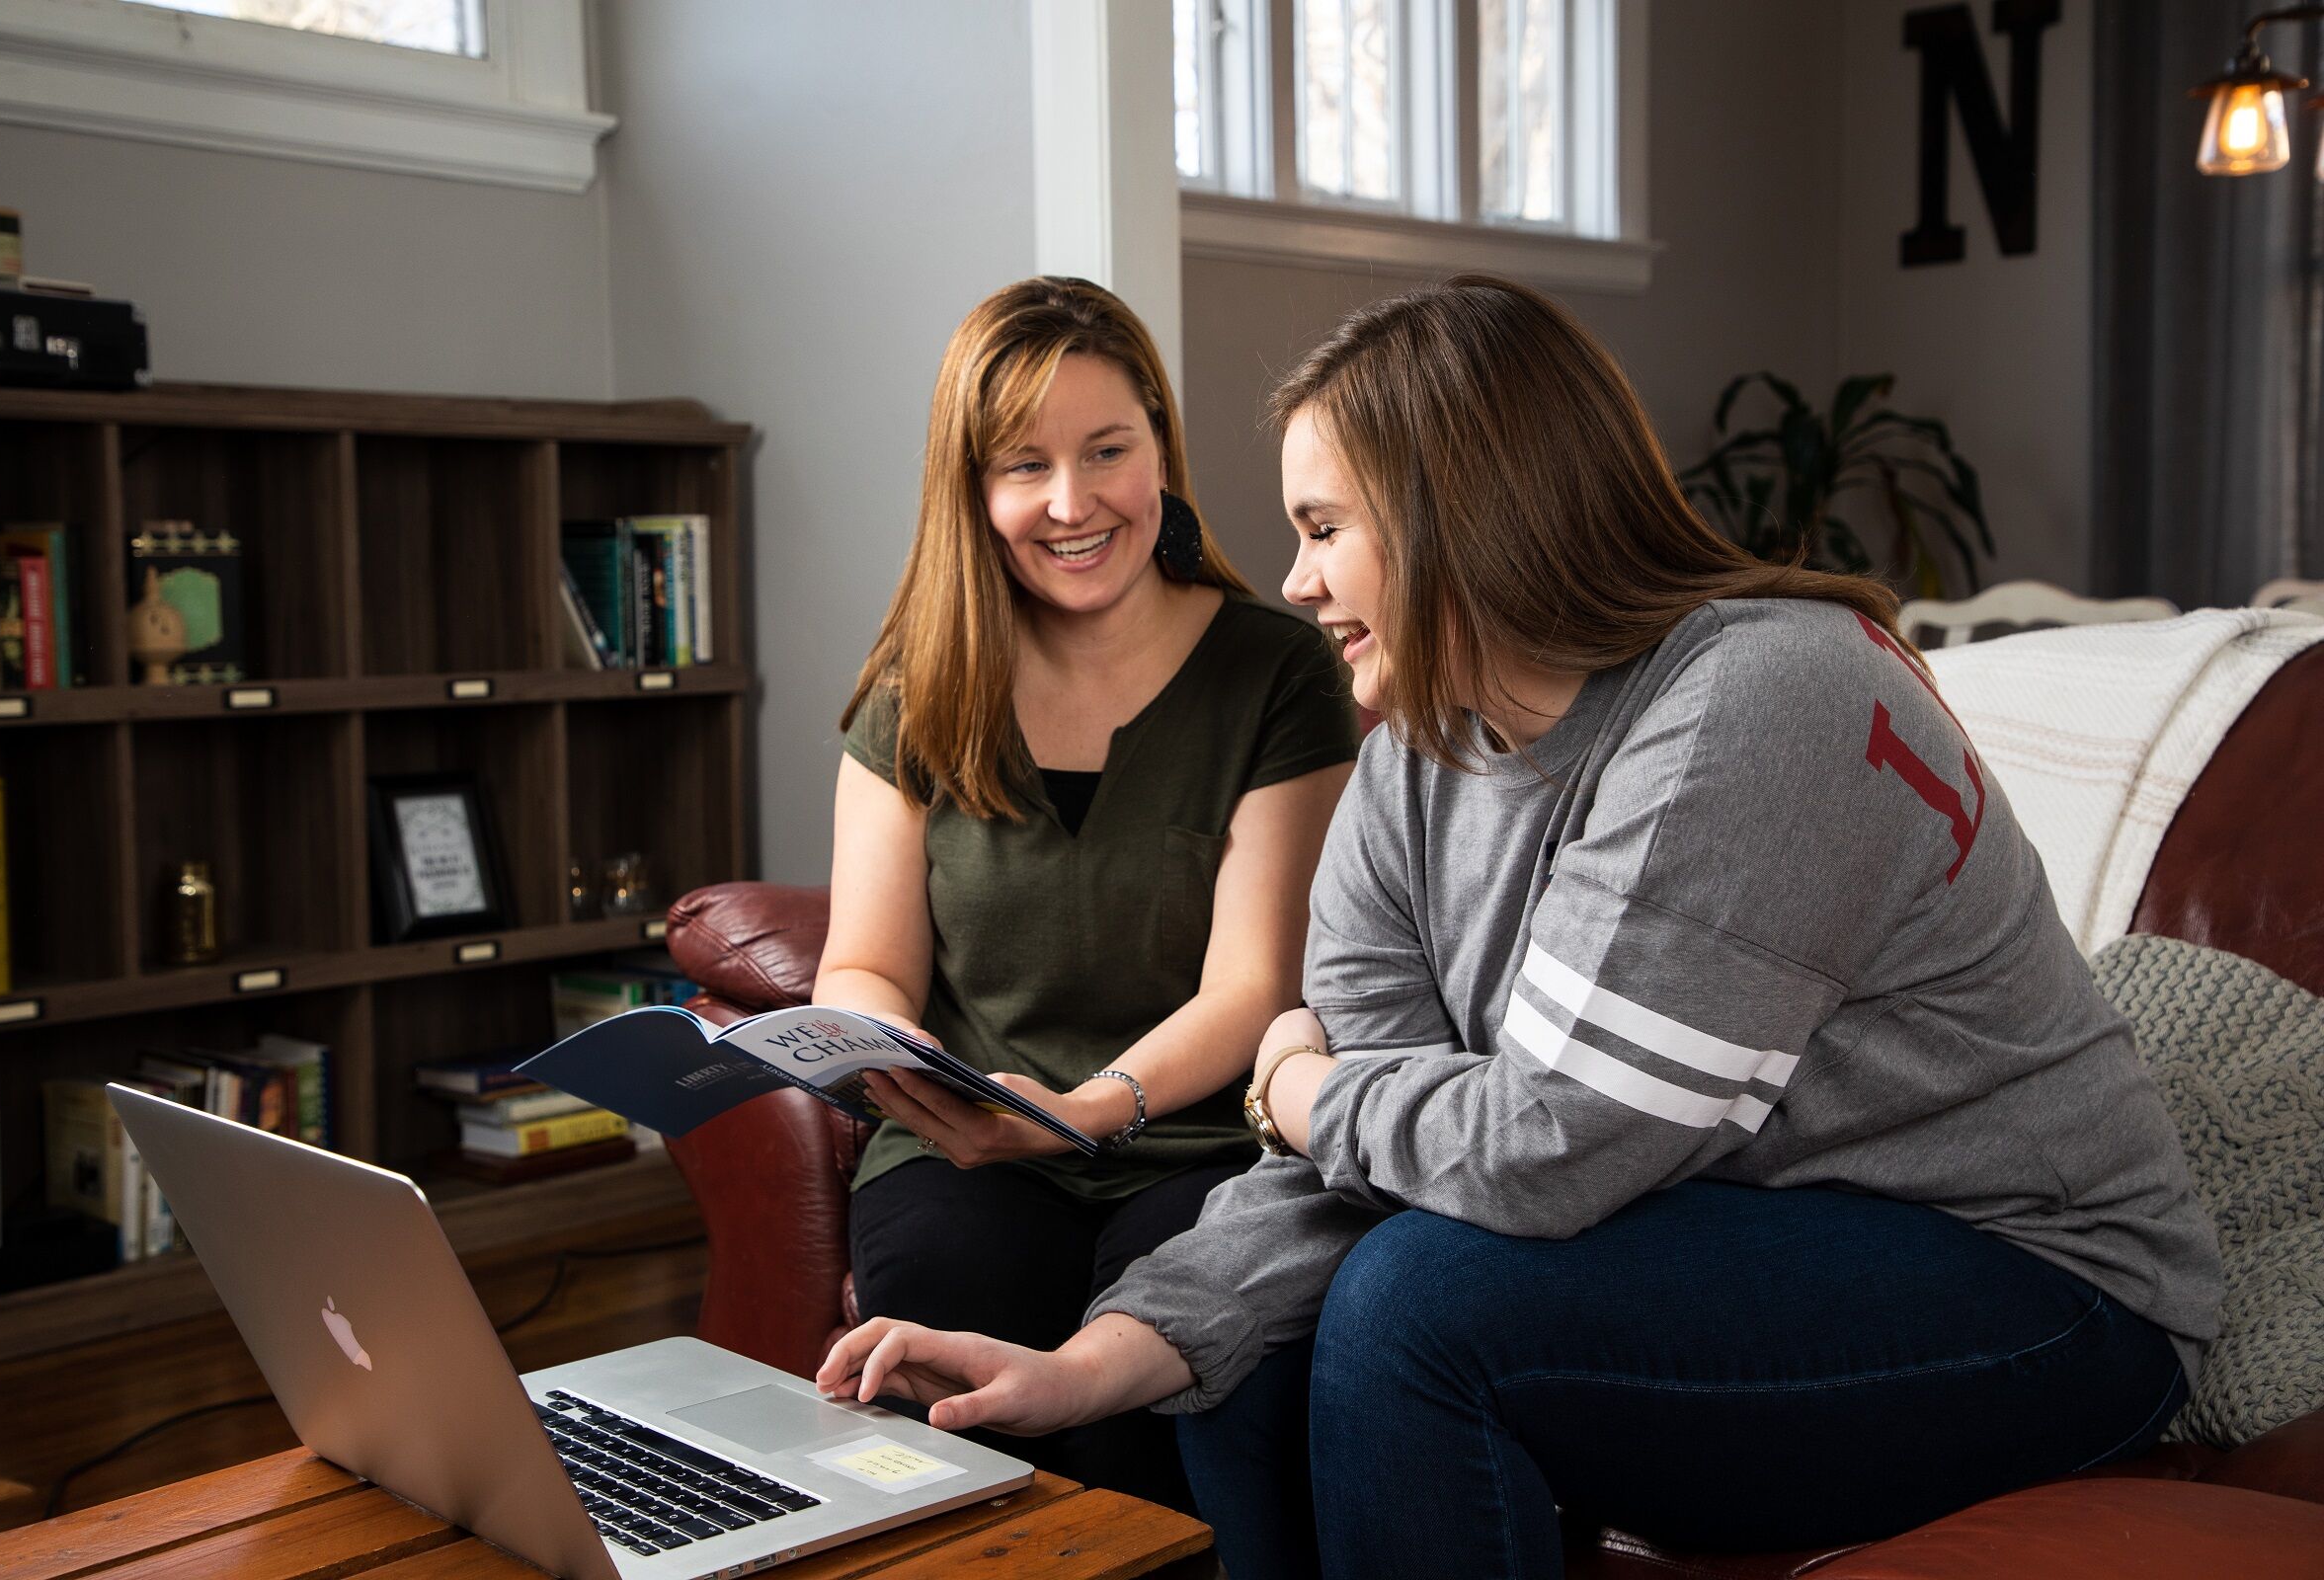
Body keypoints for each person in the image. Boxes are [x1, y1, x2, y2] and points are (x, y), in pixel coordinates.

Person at [813, 276, 2225, 1579]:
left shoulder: (1765, 700)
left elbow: (1540, 1149)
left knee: (1422, 1306)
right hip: (1723, 1227)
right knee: (1254, 1356)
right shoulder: (1415, 761)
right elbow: (1391, 1164)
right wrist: (1094, 1360)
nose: (1295, 583)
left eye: (1322, 530)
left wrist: (1301, 1084)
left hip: (2038, 1282)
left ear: (1455, 513)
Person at [813, 276, 1358, 1514]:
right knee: (950, 1357)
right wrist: (895, 1052)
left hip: (1196, 1141)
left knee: (1140, 1388)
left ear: (1159, 446)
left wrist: (1075, 1111)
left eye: (1107, 450)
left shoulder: (1277, 671)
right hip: (961, 1149)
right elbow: (865, 964)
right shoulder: (917, 686)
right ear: (974, 489)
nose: (1071, 504)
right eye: (1024, 466)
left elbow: (1255, 985)